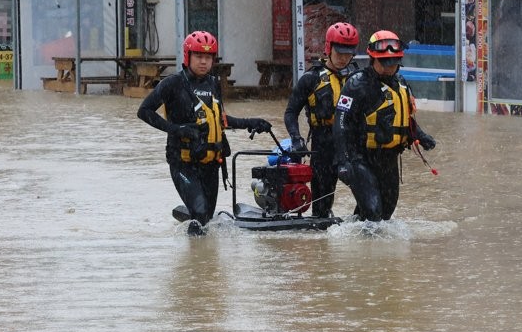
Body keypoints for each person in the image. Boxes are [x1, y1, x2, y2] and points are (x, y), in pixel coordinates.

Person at [138, 30, 273, 235]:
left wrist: (250, 122)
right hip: (183, 163)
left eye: (208, 57)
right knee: (201, 214)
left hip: (211, 164)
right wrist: (176, 129)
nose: (204, 62)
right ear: (187, 56)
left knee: (207, 220)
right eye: (199, 56)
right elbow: (144, 111)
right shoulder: (172, 84)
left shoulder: (213, 84)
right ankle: (196, 265)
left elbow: (219, 121)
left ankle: (205, 258)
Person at [333, 30, 437, 222]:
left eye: (394, 63)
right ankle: (362, 247)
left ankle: (355, 236)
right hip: (360, 157)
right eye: (384, 63)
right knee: (373, 212)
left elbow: (403, 117)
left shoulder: (401, 83)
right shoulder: (357, 85)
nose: (389, 68)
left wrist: (421, 136)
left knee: (386, 211)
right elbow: (341, 124)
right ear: (372, 58)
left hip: (388, 158)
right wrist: (343, 161)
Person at [283, 21, 360, 218]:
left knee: (366, 192)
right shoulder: (311, 78)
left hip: (353, 143)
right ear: (328, 48)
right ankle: (323, 230)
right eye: (339, 52)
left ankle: (360, 225)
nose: (344, 58)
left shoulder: (358, 78)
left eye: (348, 53)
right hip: (323, 144)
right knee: (322, 205)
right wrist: (296, 138)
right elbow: (291, 112)